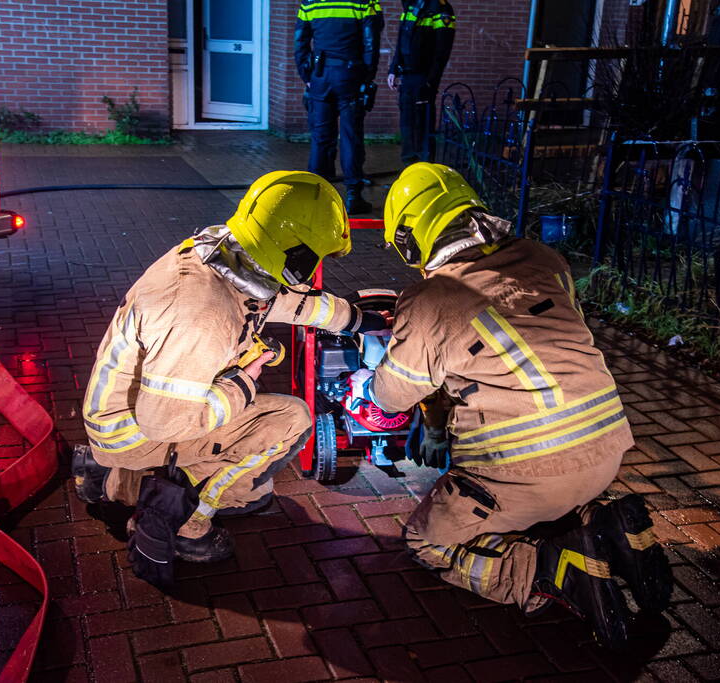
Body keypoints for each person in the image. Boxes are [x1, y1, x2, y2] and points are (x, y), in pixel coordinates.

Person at [351, 163, 673, 646]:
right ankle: (608, 524)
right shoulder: (545, 259)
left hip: (522, 474)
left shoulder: (431, 296)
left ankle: (545, 572)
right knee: (558, 503)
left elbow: (392, 397)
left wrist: (362, 384)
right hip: (607, 452)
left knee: (427, 542)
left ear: (411, 238)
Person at [72, 171, 389, 563]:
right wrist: (242, 382)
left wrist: (359, 320)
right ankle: (188, 523)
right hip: (138, 430)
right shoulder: (202, 315)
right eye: (315, 258)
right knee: (290, 418)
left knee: (252, 481)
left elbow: (291, 302)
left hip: (122, 414)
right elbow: (164, 424)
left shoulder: (227, 257)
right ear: (296, 253)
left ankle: (117, 483)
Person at [294, 0, 383, 215]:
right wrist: (366, 78)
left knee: (321, 138)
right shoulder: (364, 3)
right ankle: (353, 196)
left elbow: (300, 43)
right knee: (351, 136)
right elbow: (372, 43)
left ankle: (317, 195)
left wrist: (307, 76)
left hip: (321, 76)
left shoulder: (310, 4)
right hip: (350, 76)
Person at [387, 0, 456, 164]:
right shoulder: (411, 6)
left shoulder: (440, 8)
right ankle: (409, 170)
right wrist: (393, 69)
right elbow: (402, 40)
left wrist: (431, 81)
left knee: (422, 127)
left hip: (424, 77)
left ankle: (425, 170)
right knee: (407, 126)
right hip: (407, 77)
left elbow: (442, 51)